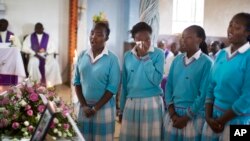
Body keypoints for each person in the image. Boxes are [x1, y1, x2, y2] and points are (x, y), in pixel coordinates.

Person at [201, 12, 250, 141]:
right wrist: (208, 117)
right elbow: (211, 86)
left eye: (237, 27)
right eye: (230, 25)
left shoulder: (248, 56)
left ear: (248, 33)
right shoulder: (222, 54)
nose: (231, 29)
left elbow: (247, 98)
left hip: (240, 121)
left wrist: (221, 121)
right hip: (214, 117)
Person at [73, 16, 121, 141]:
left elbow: (112, 88)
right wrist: (83, 105)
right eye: (92, 33)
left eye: (99, 34)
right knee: (83, 138)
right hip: (84, 108)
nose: (93, 36)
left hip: (103, 109)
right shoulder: (82, 55)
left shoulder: (112, 59)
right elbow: (77, 82)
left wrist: (95, 108)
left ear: (106, 38)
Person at [163, 25, 213, 141]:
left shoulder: (207, 63)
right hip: (173, 115)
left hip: (194, 117)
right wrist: (172, 113)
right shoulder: (177, 60)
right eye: (182, 37)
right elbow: (169, 86)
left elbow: (203, 95)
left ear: (199, 39)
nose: (183, 40)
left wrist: (186, 117)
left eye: (188, 37)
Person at [119, 22, 165, 141]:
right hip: (131, 103)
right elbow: (124, 84)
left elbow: (156, 80)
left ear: (152, 38)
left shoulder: (158, 54)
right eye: (139, 40)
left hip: (152, 102)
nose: (144, 43)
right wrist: (122, 108)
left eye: (147, 39)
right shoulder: (127, 56)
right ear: (134, 40)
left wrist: (145, 57)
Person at [22, 22, 62, 87]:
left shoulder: (48, 36)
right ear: (34, 29)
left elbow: (54, 47)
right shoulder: (30, 37)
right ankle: (35, 83)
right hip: (35, 55)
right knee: (32, 63)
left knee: (54, 63)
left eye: (40, 28)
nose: (38, 29)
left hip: (46, 55)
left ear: (43, 28)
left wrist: (46, 52)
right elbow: (25, 47)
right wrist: (34, 53)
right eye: (36, 28)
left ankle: (50, 83)